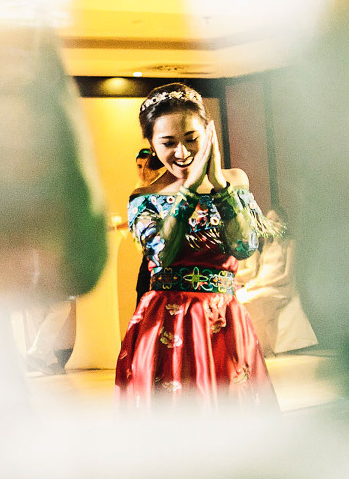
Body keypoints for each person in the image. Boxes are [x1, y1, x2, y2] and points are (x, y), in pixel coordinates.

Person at [115, 83, 276, 407]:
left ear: (208, 132)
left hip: (224, 319)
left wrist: (219, 186)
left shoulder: (234, 180)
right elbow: (163, 253)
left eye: (191, 139)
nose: (182, 152)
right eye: (168, 143)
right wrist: (187, 192)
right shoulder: (145, 197)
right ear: (152, 144)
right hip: (165, 324)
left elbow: (245, 246)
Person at [234, 207, 317, 355]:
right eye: (270, 221)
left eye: (277, 220)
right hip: (264, 286)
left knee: (252, 300)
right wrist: (254, 284)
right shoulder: (267, 245)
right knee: (239, 298)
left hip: (280, 288)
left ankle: (265, 347)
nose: (273, 224)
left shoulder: (290, 243)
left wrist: (262, 284)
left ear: (284, 221)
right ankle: (255, 346)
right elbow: (261, 274)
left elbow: (287, 276)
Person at [133, 147, 163, 297]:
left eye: (146, 166)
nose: (143, 171)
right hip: (147, 251)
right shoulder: (139, 188)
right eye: (139, 166)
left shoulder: (162, 187)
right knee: (142, 288)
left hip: (162, 250)